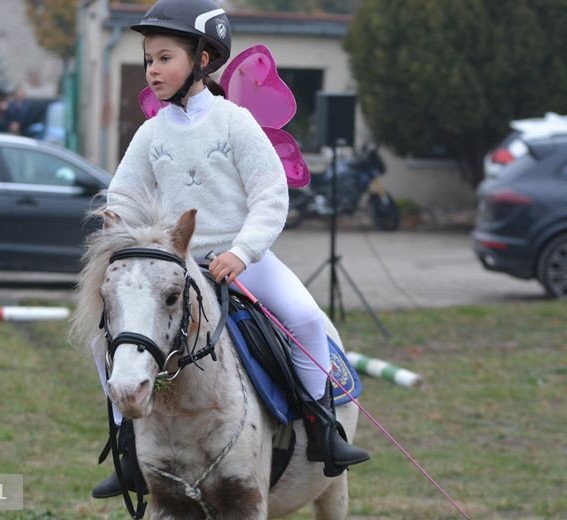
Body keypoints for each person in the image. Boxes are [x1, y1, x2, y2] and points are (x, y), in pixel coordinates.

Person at [91, 0, 369, 500]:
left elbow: (270, 195)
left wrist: (242, 252)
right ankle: (128, 449)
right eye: (149, 59)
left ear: (202, 59)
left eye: (165, 58)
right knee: (106, 341)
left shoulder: (234, 123)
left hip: (241, 263)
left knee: (306, 321)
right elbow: (123, 194)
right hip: (173, 269)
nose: (153, 69)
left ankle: (324, 431)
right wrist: (121, 228)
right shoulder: (150, 133)